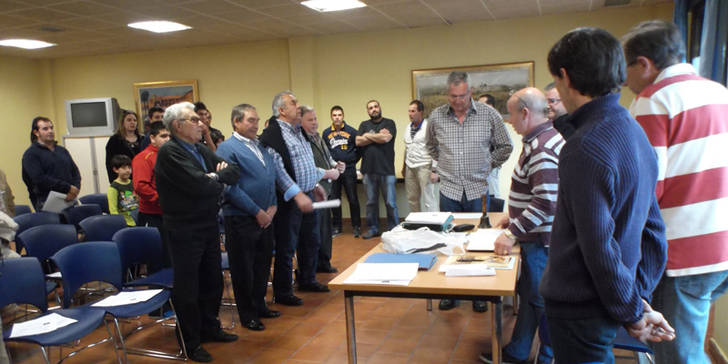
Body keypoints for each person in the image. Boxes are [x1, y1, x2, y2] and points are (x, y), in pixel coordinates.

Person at [539, 27, 675, 363]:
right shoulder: (634, 132)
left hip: (580, 306)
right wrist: (638, 298)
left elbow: (599, 246)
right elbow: (654, 228)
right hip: (608, 299)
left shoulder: (583, 148)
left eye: (555, 82)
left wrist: (631, 310)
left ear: (566, 77)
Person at [623, 20, 728, 364]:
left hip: (685, 250)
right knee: (690, 342)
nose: (625, 80)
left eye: (626, 68)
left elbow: (646, 190)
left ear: (644, 64)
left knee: (678, 356)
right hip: (721, 242)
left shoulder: (653, 101)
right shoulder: (719, 91)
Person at [479, 88, 563, 364]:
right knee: (529, 298)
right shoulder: (539, 140)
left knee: (541, 302)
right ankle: (516, 352)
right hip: (535, 237)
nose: (510, 121)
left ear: (525, 113)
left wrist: (512, 232)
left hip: (541, 241)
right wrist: (514, 217)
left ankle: (548, 357)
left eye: (512, 114)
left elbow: (546, 201)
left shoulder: (541, 148)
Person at [155, 102, 240, 362]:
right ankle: (191, 341)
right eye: (193, 120)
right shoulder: (170, 152)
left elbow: (234, 172)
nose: (200, 124)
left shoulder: (200, 148)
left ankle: (210, 327)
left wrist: (212, 177)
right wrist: (214, 178)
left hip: (207, 223)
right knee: (188, 287)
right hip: (184, 227)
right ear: (178, 126)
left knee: (212, 280)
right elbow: (198, 185)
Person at [217, 103, 310, 332]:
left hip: (267, 216)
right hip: (241, 218)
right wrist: (257, 211)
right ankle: (247, 314)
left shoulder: (260, 146)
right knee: (243, 270)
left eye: (257, 120)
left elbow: (272, 179)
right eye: (250, 120)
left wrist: (273, 207)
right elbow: (230, 188)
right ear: (236, 122)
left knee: (261, 266)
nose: (255, 124)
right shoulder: (227, 149)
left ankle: (260, 306)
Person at [426, 71, 513, 312]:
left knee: (479, 242)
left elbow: (506, 146)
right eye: (453, 96)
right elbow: (431, 146)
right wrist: (444, 164)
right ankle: (451, 293)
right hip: (450, 189)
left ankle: (478, 293)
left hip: (478, 189)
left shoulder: (488, 115)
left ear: (470, 92)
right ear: (448, 94)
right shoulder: (436, 117)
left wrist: (488, 165)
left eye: (462, 96)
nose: (457, 101)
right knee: (450, 242)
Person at [259, 91, 339, 306]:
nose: (298, 106)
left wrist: (314, 184)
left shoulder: (297, 131)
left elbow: (304, 165)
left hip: (307, 194)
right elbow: (279, 171)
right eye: (293, 103)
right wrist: (298, 194)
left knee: (310, 240)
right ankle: (283, 292)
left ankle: (307, 279)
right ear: (281, 110)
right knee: (287, 246)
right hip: (288, 200)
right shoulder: (273, 135)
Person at [300, 105, 345, 274]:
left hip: (326, 188)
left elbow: (328, 157)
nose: (315, 123)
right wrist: (328, 173)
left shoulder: (317, 136)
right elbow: (307, 167)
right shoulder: (302, 140)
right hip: (313, 189)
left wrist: (336, 165)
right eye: (310, 120)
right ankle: (312, 267)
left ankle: (324, 262)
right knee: (314, 231)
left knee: (325, 229)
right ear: (300, 121)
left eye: (315, 119)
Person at [356, 100, 399, 239]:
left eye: (375, 106)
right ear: (367, 111)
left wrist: (367, 135)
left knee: (390, 203)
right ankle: (373, 228)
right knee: (370, 203)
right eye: (370, 108)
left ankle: (394, 230)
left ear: (380, 108)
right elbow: (357, 141)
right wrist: (377, 136)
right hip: (368, 170)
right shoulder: (364, 124)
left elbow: (386, 138)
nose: (373, 109)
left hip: (387, 170)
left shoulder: (389, 123)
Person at [21, 117, 81, 211]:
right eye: (45, 129)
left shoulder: (62, 151)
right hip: (47, 201)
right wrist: (68, 188)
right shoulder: (31, 154)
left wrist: (75, 190)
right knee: (54, 226)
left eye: (51, 128)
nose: (50, 131)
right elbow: (39, 179)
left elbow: (75, 172)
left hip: (70, 198)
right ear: (36, 132)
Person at [132, 121, 171, 264]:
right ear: (152, 138)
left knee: (171, 258)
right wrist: (162, 199)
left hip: (170, 214)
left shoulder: (170, 156)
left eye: (170, 136)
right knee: (158, 260)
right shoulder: (143, 158)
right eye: (163, 136)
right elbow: (141, 186)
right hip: (153, 216)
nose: (167, 139)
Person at [322, 105, 361, 237]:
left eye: (339, 115)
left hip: (349, 170)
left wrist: (351, 161)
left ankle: (356, 226)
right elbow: (325, 153)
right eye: (334, 115)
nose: (337, 117)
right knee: (334, 198)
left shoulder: (352, 131)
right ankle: (337, 226)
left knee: (353, 198)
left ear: (343, 116)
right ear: (331, 117)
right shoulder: (326, 133)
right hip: (334, 171)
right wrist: (332, 165)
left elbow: (359, 150)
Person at [402, 99, 437, 213]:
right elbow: (407, 148)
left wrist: (434, 171)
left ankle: (434, 224)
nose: (410, 114)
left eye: (413, 111)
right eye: (408, 111)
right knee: (412, 198)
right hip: (410, 167)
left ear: (420, 112)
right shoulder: (408, 127)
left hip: (424, 167)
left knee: (428, 199)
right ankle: (416, 224)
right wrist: (403, 167)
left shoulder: (429, 127)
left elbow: (436, 149)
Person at [477, 93, 505, 212]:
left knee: (492, 193)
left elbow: (504, 146)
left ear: (491, 106)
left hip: (490, 165)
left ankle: (495, 220)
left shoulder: (496, 121)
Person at [105, 109, 144, 183]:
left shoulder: (143, 139)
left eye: (135, 120)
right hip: (123, 180)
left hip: (141, 178)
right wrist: (115, 182)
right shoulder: (115, 140)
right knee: (128, 194)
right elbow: (109, 163)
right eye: (129, 120)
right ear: (123, 122)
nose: (132, 122)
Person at [107, 155, 139, 226]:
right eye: (124, 168)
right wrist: (120, 223)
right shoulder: (113, 188)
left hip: (139, 219)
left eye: (129, 167)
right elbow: (113, 210)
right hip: (125, 223)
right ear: (116, 169)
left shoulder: (134, 182)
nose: (128, 170)